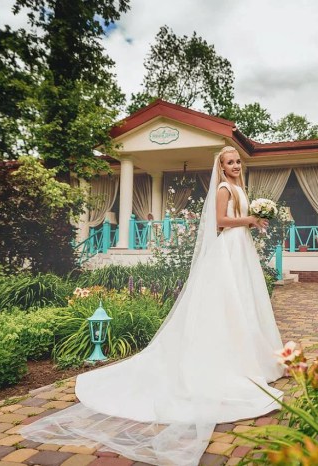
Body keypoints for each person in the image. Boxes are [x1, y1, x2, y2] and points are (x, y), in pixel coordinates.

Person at [20, 146, 285, 466]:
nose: (235, 165)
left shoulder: (240, 187)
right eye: (230, 162)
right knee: (226, 302)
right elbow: (220, 220)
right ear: (221, 166)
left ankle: (250, 358)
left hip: (241, 249)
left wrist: (255, 222)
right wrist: (249, 219)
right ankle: (228, 361)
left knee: (244, 300)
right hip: (227, 249)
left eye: (238, 161)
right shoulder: (223, 188)